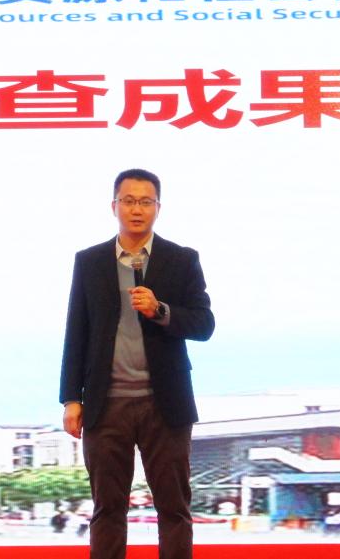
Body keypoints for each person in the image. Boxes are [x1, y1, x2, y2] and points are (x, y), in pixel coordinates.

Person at [59, 169, 214, 559]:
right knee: (108, 508)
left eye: (146, 202)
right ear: (114, 206)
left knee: (173, 507)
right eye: (128, 201)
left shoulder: (181, 259)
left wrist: (160, 310)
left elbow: (204, 324)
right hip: (105, 403)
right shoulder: (89, 261)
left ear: (158, 208)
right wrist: (71, 399)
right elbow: (77, 330)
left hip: (165, 404)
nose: (137, 209)